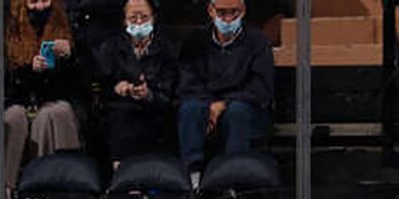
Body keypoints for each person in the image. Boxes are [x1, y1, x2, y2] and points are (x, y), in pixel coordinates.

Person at [177, 0, 274, 189]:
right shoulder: (195, 41)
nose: (228, 19)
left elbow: (260, 88)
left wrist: (224, 104)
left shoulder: (258, 41)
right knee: (190, 108)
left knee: (238, 111)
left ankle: (232, 177)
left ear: (244, 10)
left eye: (234, 13)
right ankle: (193, 174)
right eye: (222, 13)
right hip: (204, 102)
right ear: (210, 11)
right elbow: (187, 83)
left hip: (244, 106)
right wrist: (209, 105)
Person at [4, 0, 84, 199]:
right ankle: (5, 190)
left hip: (55, 100)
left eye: (44, 1)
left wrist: (69, 58)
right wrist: (29, 70)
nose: (40, 7)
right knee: (14, 116)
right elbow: (4, 81)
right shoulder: (8, 31)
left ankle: (45, 187)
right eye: (33, 2)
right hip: (18, 100)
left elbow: (84, 83)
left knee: (53, 113)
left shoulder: (68, 29)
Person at [95, 0, 178, 166]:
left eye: (144, 17)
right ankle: (120, 177)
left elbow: (170, 88)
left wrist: (149, 94)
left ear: (153, 19)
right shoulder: (110, 47)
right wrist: (117, 88)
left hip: (157, 110)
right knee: (120, 118)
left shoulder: (167, 49)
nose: (139, 22)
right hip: (120, 110)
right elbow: (101, 86)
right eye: (133, 18)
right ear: (124, 21)